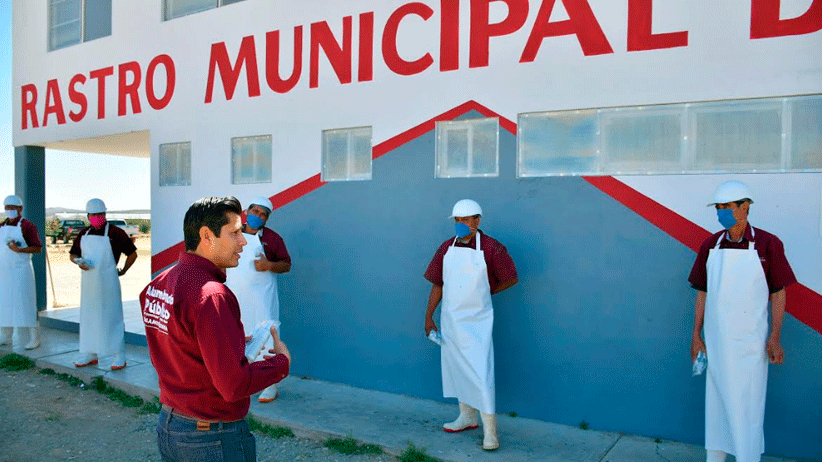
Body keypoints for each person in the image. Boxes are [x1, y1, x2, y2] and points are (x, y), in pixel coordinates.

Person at [140, 196, 290, 462]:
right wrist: (280, 363)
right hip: (212, 437)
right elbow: (234, 386)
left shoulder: (157, 285)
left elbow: (180, 346)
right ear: (207, 236)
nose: (242, 240)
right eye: (234, 233)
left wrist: (228, 343)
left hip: (170, 426)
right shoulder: (213, 296)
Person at [688, 181, 796, 462]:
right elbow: (703, 291)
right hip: (717, 346)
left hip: (750, 347)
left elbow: (778, 293)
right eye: (719, 208)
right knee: (717, 409)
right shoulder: (711, 244)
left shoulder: (768, 244)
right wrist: (696, 335)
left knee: (747, 410)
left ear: (744, 207)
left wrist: (775, 337)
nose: (722, 213)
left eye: (727, 207)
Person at [424, 199, 518, 451]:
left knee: (480, 372)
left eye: (466, 220)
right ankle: (467, 417)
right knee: (456, 368)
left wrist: (486, 292)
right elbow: (437, 283)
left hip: (478, 320)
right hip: (452, 319)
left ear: (478, 220)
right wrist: (429, 316)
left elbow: (510, 277)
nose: (461, 225)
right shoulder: (446, 248)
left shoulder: (492, 248)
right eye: (457, 220)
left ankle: (491, 432)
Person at [225, 196, 291, 403]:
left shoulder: (272, 239)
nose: (258, 217)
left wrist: (269, 265)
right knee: (234, 335)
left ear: (267, 219)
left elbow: (286, 264)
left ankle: (271, 385)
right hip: (234, 294)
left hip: (262, 296)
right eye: (255, 212)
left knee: (266, 334)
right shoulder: (230, 233)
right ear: (246, 211)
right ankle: (236, 381)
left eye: (263, 215)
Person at [69, 198, 138, 370]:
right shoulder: (83, 233)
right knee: (89, 316)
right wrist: (79, 261)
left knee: (112, 317)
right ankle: (89, 353)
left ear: (105, 214)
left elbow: (132, 254)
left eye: (100, 214)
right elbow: (73, 254)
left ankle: (119, 355)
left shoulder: (116, 233)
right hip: (89, 283)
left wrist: (123, 270)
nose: (97, 217)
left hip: (108, 282)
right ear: (88, 216)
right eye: (93, 215)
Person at [0, 195, 43, 349]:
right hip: (4, 271)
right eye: (7, 207)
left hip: (21, 270)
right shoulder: (1, 226)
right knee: (5, 302)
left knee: (26, 302)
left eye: (13, 207)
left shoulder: (27, 226)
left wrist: (20, 250)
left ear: (20, 208)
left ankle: (34, 337)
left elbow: (38, 248)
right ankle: (6, 335)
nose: (9, 210)